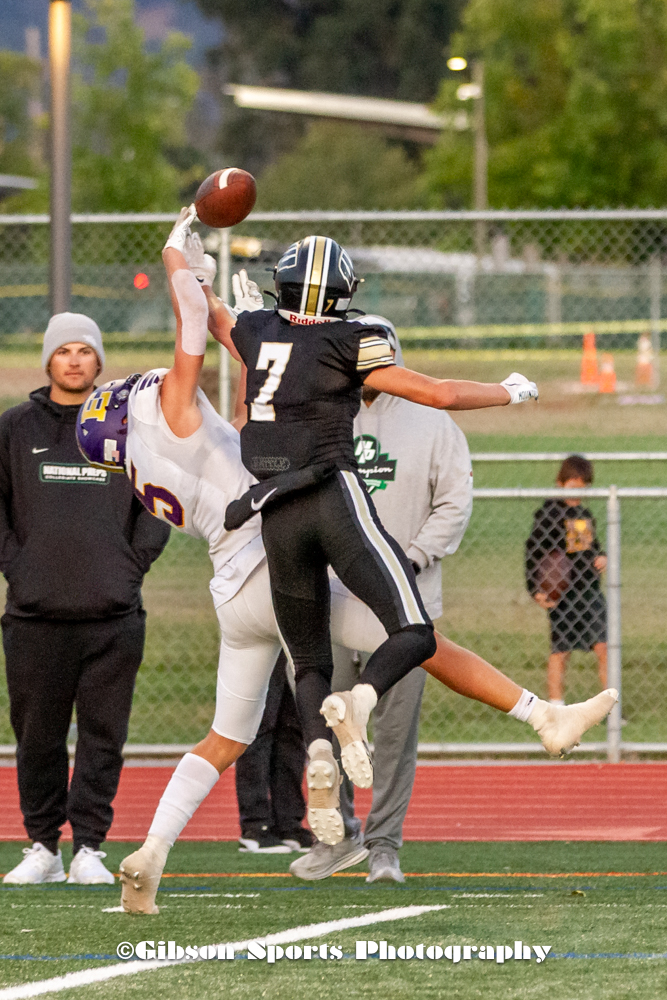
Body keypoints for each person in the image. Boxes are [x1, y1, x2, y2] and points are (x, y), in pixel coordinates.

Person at [89, 210, 615, 915]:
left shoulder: (141, 467)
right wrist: (179, 249)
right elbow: (194, 321)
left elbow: (233, 352)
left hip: (235, 580)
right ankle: (535, 715)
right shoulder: (178, 408)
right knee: (418, 637)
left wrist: (225, 299)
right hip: (281, 537)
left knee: (226, 736)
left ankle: (153, 852)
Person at [290, 315, 473, 883]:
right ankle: (334, 837)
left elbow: (454, 503)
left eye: (379, 354)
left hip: (406, 606)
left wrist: (410, 559)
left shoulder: (433, 424)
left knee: (392, 735)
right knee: (326, 723)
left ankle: (385, 845)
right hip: (334, 602)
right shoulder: (320, 416)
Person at [0, 313, 170, 887]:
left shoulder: (127, 428)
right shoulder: (14, 429)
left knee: (103, 735)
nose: (74, 361)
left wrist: (128, 569)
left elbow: (157, 506)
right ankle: (43, 846)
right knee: (39, 737)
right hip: (34, 615)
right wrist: (19, 569)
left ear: (99, 363)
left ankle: (90, 847)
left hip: (112, 614)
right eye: (63, 351)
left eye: (85, 351)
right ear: (48, 360)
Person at [525, 454, 608, 704]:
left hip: (589, 590)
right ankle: (556, 706)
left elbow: (591, 546)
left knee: (605, 646)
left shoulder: (583, 513)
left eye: (583, 489)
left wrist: (600, 557)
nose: (577, 494)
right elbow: (533, 552)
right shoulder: (550, 513)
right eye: (573, 487)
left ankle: (611, 706)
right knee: (560, 651)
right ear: (560, 483)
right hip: (563, 594)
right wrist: (535, 588)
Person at [235, 652, 313, 854]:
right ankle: (255, 825)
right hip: (262, 634)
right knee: (260, 723)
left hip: (293, 636)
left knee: (292, 725)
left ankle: (288, 823)